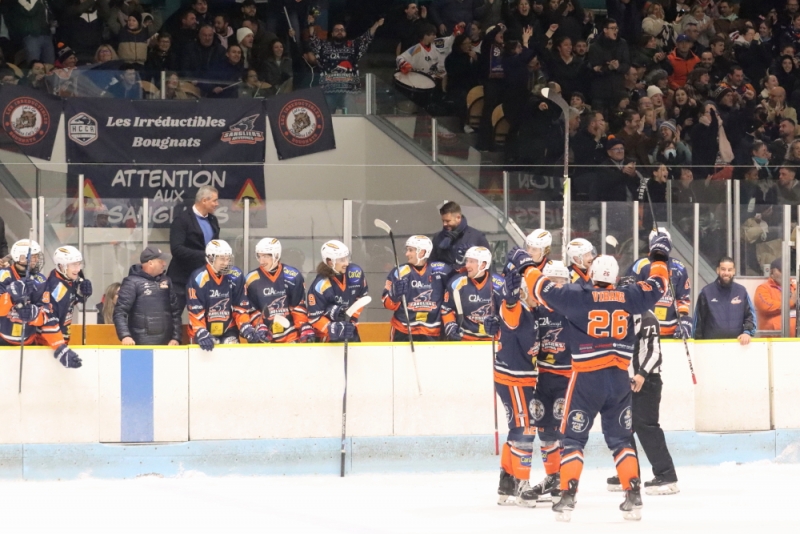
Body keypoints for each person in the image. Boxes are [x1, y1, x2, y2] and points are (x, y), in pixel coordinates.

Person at [522, 232, 672, 521]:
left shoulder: (579, 296)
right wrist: (659, 257)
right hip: (618, 380)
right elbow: (659, 284)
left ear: (591, 272)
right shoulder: (630, 296)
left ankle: (567, 496)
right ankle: (633, 494)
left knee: (573, 439)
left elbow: (541, 289)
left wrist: (526, 267)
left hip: (586, 379)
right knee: (621, 440)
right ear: (615, 277)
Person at [607, 276, 679, 496]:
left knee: (646, 426)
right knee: (623, 426)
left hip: (646, 381)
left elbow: (654, 351)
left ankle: (666, 475)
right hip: (624, 381)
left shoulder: (647, 318)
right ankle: (629, 473)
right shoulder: (620, 317)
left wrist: (641, 375)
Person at [484, 261, 539, 507]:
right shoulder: (518, 310)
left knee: (517, 427)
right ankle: (521, 483)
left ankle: (506, 482)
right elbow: (510, 311)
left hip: (515, 377)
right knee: (525, 429)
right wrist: (510, 300)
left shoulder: (533, 312)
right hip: (514, 378)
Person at [527, 260, 573, 503]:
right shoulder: (537, 310)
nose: (556, 285)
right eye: (552, 281)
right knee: (544, 428)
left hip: (568, 379)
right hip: (544, 378)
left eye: (561, 280)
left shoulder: (574, 309)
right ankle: (553, 477)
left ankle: (566, 481)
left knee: (564, 430)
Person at [187, 240, 270, 351]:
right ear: (211, 258)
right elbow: (195, 310)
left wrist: (245, 326)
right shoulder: (199, 278)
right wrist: (200, 331)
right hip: (204, 329)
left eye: (228, 259)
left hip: (229, 329)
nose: (226, 263)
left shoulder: (235, 276)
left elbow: (240, 307)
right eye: (222, 259)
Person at [244, 238, 315, 344]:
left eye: (266, 256)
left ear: (276, 255)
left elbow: (297, 307)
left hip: (290, 334)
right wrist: (259, 326)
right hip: (264, 335)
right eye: (259, 256)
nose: (261, 260)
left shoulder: (293, 276)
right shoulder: (251, 279)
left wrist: (303, 325)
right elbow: (251, 309)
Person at [381, 235, 451, 342]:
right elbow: (387, 304)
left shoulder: (441, 270)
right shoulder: (400, 272)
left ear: (422, 252)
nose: (406, 254)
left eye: (410, 250)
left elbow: (454, 295)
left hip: (432, 331)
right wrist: (394, 295)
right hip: (403, 330)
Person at [309, 15, 384, 113]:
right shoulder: (324, 46)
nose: (339, 31)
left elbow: (366, 38)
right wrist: (311, 24)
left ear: (345, 32)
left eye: (342, 30)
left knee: (351, 121)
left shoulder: (353, 45)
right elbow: (313, 40)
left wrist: (376, 25)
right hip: (329, 90)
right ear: (332, 33)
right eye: (336, 30)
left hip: (349, 91)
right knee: (328, 120)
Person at [626, 228, 692, 338]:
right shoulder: (640, 265)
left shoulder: (678, 267)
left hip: (671, 331)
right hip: (645, 330)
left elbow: (683, 298)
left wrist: (684, 320)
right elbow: (629, 297)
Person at [113, 247, 182, 346]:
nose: (164, 264)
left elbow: (175, 312)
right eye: (160, 261)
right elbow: (120, 312)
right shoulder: (131, 282)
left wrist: (176, 338)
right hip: (140, 344)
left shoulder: (167, 281)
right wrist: (125, 336)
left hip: (167, 345)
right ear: (150, 263)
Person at [167, 186, 220, 314]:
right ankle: (173, 335)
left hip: (204, 278)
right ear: (204, 201)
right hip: (181, 279)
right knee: (173, 314)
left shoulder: (213, 220)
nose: (217, 204)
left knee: (208, 314)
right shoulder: (182, 220)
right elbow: (176, 249)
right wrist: (205, 255)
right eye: (214, 200)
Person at [36, 246, 91, 368]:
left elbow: (68, 303)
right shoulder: (57, 289)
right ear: (61, 266)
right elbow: (49, 321)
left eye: (79, 264)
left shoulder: (65, 278)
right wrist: (60, 349)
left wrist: (81, 295)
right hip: (48, 346)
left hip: (59, 341)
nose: (78, 269)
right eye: (74, 265)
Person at [307, 240, 369, 342]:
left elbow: (361, 298)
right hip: (328, 335)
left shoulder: (355, 273)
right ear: (330, 262)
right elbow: (314, 317)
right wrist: (333, 330)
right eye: (341, 260)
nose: (347, 263)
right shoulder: (320, 284)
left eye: (347, 258)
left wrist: (352, 320)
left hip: (349, 329)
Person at [441, 246, 504, 342]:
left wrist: (497, 321)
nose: (467, 265)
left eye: (471, 262)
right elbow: (446, 308)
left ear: (483, 264)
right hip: (465, 339)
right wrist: (450, 325)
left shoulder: (499, 284)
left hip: (492, 341)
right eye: (467, 261)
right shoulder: (456, 283)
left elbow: (507, 312)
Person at [694, 257, 756, 345]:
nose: (726, 273)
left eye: (729, 270)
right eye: (723, 269)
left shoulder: (742, 291)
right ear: (717, 270)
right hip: (711, 347)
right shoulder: (706, 292)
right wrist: (698, 344)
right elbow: (698, 322)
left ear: (734, 271)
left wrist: (747, 332)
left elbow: (750, 316)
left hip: (738, 346)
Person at [0, 240, 49, 346]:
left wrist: (34, 314)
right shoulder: (3, 276)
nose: (36, 260)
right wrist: (11, 296)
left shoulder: (40, 280)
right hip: (2, 340)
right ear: (21, 258)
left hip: (29, 342)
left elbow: (47, 312)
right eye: (33, 257)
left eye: (37, 257)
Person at [429, 201, 490, 272]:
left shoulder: (477, 237)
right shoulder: (438, 237)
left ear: (458, 218)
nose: (445, 224)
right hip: (444, 280)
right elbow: (431, 263)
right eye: (443, 221)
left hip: (468, 280)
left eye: (448, 221)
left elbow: (488, 264)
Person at [754, 258, 797, 336]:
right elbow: (766, 306)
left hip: (795, 338)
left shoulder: (794, 288)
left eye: (788, 270)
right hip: (773, 339)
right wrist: (791, 303)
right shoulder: (763, 288)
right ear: (771, 272)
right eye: (781, 270)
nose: (785, 273)